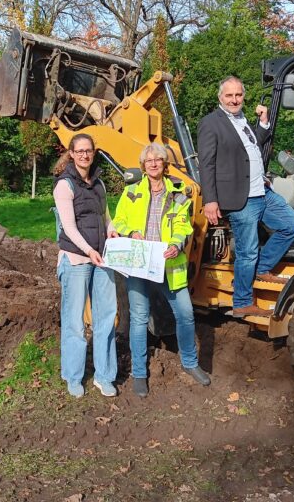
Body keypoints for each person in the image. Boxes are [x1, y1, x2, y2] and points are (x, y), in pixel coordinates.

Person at [197, 76, 294, 318]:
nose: (235, 100)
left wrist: (263, 124)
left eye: (239, 95)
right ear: (220, 97)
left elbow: (249, 147)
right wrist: (210, 201)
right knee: (247, 252)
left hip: (262, 190)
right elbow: (206, 164)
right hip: (240, 197)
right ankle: (242, 302)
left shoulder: (243, 120)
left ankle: (263, 268)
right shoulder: (211, 123)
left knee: (293, 225)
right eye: (229, 96)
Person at [113, 143, 211, 398]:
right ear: (143, 165)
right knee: (139, 319)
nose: (154, 163)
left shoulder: (178, 193)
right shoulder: (132, 192)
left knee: (186, 314)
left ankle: (190, 363)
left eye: (158, 159)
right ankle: (139, 374)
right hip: (140, 264)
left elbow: (184, 225)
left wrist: (177, 244)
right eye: (149, 160)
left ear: (165, 164)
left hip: (170, 265)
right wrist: (129, 232)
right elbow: (119, 220)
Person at [53, 133, 119, 398]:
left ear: (94, 152)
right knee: (74, 321)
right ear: (71, 153)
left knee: (106, 318)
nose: (84, 155)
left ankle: (104, 376)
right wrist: (89, 250)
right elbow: (68, 227)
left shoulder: (99, 183)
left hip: (102, 258)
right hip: (77, 259)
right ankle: (73, 376)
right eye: (79, 151)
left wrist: (112, 231)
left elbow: (105, 216)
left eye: (88, 150)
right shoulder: (64, 185)